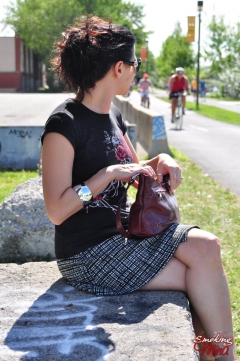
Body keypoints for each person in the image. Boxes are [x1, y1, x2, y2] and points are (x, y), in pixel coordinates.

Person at [41, 15, 237, 360]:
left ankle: (214, 355)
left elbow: (132, 171)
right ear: (119, 68)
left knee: (205, 259)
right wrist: (103, 177)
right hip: (88, 255)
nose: (136, 70)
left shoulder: (112, 114)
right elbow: (56, 210)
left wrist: (159, 161)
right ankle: (223, 356)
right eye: (136, 63)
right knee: (204, 260)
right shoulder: (64, 124)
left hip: (124, 238)